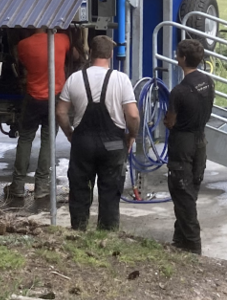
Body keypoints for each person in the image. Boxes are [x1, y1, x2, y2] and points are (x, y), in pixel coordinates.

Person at [55, 34, 139, 231]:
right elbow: (133, 115)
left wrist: (69, 133)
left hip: (83, 144)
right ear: (110, 55)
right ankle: (106, 236)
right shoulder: (121, 79)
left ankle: (79, 232)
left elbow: (60, 112)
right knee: (110, 193)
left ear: (91, 52)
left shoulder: (75, 78)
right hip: (113, 145)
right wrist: (131, 136)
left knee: (79, 190)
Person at [9, 27, 71, 207]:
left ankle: (17, 186)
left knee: (25, 139)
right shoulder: (62, 39)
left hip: (33, 98)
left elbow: (22, 63)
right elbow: (74, 55)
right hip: (54, 98)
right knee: (48, 140)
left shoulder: (24, 45)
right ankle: (42, 187)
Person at [163, 39, 215, 254]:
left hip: (182, 145)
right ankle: (180, 240)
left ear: (182, 59)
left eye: (177, 54)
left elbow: (170, 121)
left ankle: (193, 246)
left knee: (183, 194)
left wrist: (167, 121)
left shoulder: (180, 91)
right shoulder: (208, 82)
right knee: (189, 191)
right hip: (200, 141)